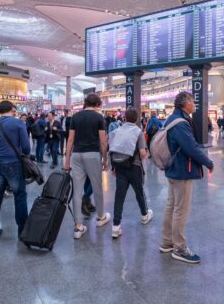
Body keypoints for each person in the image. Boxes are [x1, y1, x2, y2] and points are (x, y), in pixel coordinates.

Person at [160, 92, 214, 264]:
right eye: (192, 102)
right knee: (181, 209)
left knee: (171, 206)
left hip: (173, 170)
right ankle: (180, 248)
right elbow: (191, 148)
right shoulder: (181, 123)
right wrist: (208, 162)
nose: (194, 105)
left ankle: (167, 242)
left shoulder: (172, 119)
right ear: (185, 104)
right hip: (182, 171)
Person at [63, 93, 111, 240]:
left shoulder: (75, 117)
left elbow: (70, 140)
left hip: (76, 155)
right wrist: (105, 158)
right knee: (97, 187)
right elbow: (103, 141)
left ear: (85, 103)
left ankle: (78, 226)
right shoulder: (98, 117)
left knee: (77, 190)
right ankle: (101, 217)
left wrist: (66, 161)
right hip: (92, 155)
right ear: (97, 104)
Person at [0, 101, 31, 241]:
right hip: (14, 163)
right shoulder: (18, 123)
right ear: (11, 109)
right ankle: (22, 231)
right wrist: (23, 154)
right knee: (20, 196)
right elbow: (26, 147)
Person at [109, 107, 153, 239]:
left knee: (119, 196)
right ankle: (145, 215)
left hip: (119, 167)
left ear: (125, 118)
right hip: (134, 167)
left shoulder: (117, 130)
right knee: (139, 192)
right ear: (137, 118)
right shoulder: (137, 131)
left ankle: (116, 226)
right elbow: (143, 153)